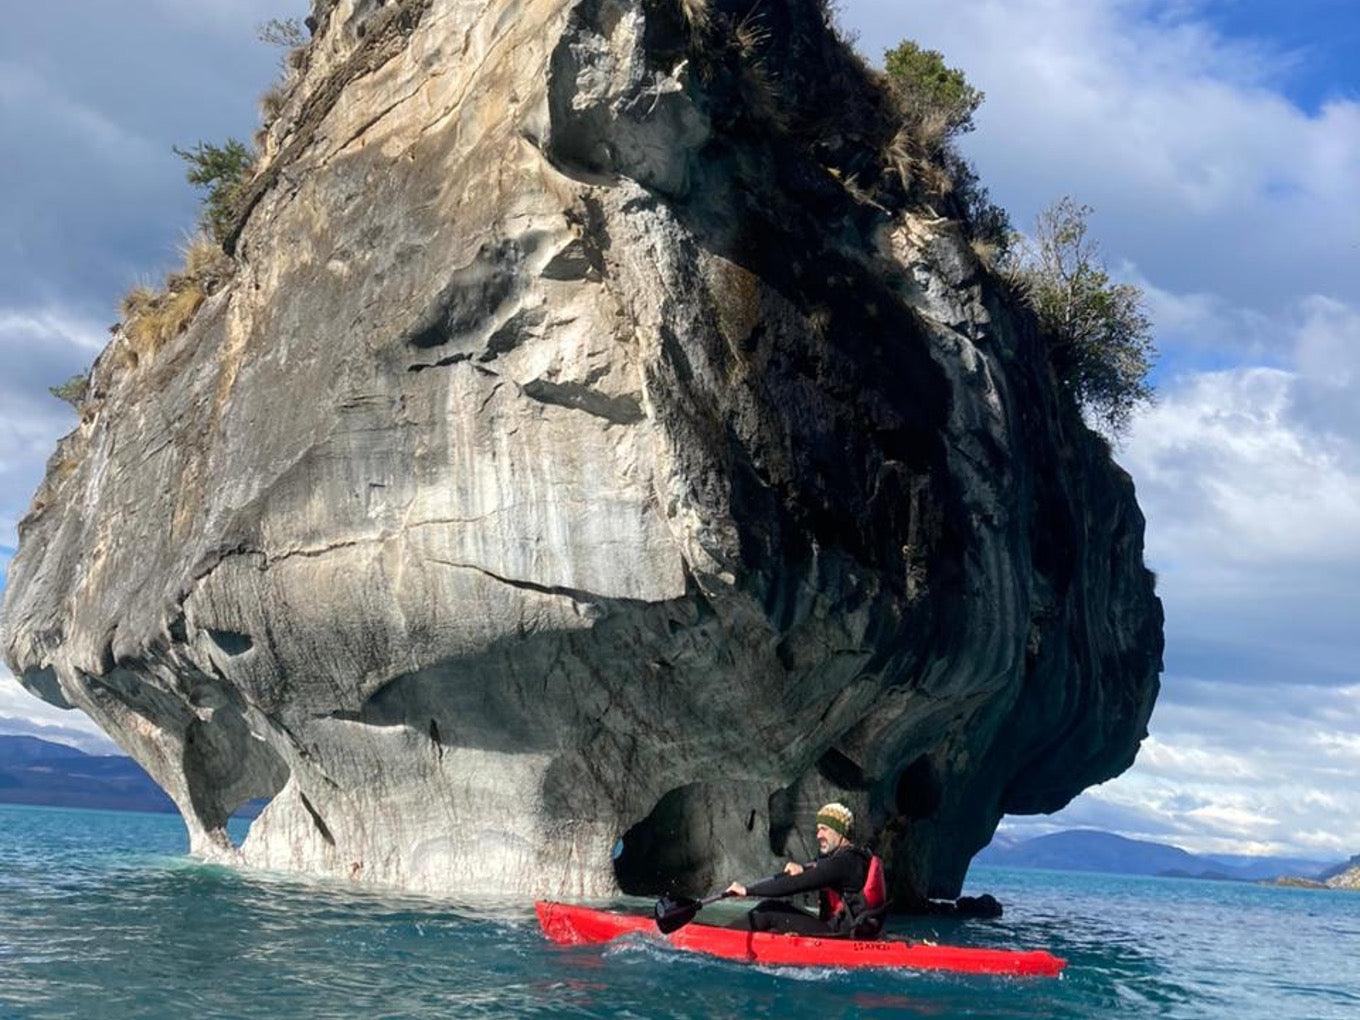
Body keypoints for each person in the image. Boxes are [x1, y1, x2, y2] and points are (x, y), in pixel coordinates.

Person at [725, 802, 887, 938]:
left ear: (840, 832)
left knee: (768, 910)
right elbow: (819, 868)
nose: (818, 835)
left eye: (824, 829)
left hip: (842, 935)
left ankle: (722, 938)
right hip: (843, 930)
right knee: (779, 913)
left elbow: (797, 884)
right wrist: (802, 868)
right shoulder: (854, 858)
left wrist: (747, 890)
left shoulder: (844, 862)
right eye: (818, 829)